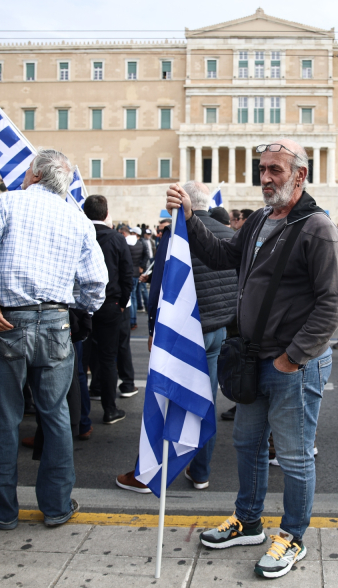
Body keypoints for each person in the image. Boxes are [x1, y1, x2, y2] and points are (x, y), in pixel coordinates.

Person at [166, 138, 338, 579]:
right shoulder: (261, 219)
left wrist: (292, 359)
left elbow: (333, 304)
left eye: (275, 171)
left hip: (292, 364)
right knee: (247, 445)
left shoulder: (318, 227)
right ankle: (248, 521)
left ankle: (293, 536)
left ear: (300, 175)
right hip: (252, 359)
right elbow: (224, 255)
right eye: (262, 169)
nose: (265, 178)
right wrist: (191, 216)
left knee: (295, 455)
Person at [0, 148, 107, 532]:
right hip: (55, 320)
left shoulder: (6, 203)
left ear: (33, 174)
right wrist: (76, 308)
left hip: (8, 319)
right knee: (55, 415)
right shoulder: (76, 217)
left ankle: (3, 510)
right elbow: (96, 282)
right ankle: (56, 506)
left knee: (2, 417)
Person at [118, 181, 240, 493]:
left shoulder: (178, 233)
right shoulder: (230, 235)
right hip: (219, 331)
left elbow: (161, 287)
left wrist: (151, 330)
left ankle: (148, 472)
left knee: (165, 397)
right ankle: (200, 472)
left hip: (187, 333)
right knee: (205, 401)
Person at [83, 195, 133, 426]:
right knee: (107, 358)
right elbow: (126, 275)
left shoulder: (79, 234)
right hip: (110, 305)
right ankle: (109, 409)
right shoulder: (116, 238)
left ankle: (81, 415)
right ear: (106, 213)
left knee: (81, 361)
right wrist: (122, 302)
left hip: (81, 306)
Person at [126, 226, 150, 327]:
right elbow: (146, 255)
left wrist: (142, 266)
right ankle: (133, 318)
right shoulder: (141, 243)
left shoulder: (134, 243)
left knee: (133, 296)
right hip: (137, 271)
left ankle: (132, 320)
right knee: (135, 295)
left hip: (133, 272)